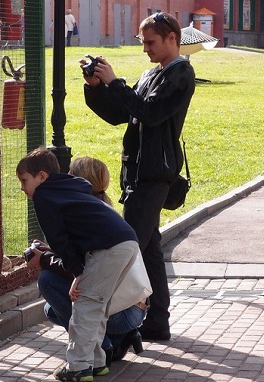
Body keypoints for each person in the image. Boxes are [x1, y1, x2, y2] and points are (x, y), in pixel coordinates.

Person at [80, 12, 196, 342]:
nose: (145, 48)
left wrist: (116, 82)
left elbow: (151, 113)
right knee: (149, 250)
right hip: (138, 171)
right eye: (142, 42)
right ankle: (157, 322)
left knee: (126, 248)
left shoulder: (181, 73)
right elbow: (121, 114)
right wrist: (97, 88)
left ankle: (120, 323)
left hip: (154, 174)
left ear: (172, 38)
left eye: (151, 42)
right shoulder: (150, 74)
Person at [16, 148, 139, 381]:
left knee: (84, 308)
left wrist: (77, 272)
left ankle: (78, 368)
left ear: (41, 177)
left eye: (24, 181)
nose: (23, 188)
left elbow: (59, 239)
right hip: (126, 242)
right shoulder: (71, 187)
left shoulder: (44, 196)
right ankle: (97, 362)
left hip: (108, 248)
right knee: (98, 307)